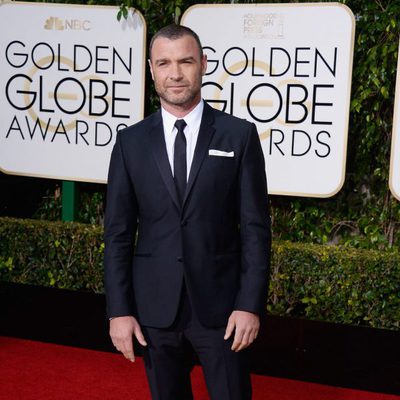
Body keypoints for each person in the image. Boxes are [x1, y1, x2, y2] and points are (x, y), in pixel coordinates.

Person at [104, 24, 271, 400]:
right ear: (151, 69)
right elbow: (116, 234)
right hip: (154, 310)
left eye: (185, 61)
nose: (175, 73)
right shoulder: (130, 142)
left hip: (223, 310)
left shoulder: (238, 135)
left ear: (203, 65)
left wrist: (249, 305)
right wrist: (119, 311)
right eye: (164, 63)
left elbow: (256, 230)